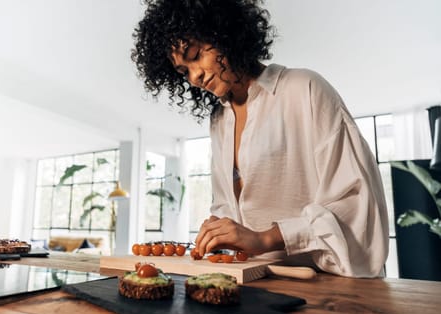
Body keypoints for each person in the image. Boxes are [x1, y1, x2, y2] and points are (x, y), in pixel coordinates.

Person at [132, 0, 389, 277]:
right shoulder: (219, 120)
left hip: (330, 286)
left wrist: (265, 238)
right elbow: (228, 205)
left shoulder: (305, 89)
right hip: (255, 282)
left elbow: (358, 204)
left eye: (195, 55)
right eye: (184, 72)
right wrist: (219, 231)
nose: (194, 77)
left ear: (223, 31)